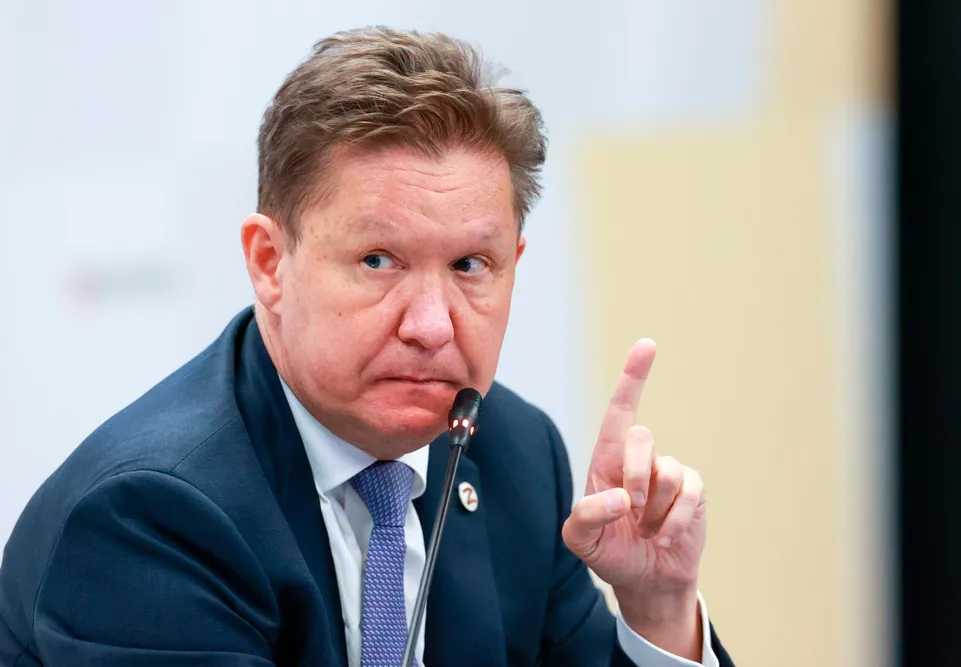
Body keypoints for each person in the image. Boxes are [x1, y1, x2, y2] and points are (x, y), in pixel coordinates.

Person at [0, 27, 734, 667]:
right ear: (269, 263)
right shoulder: (152, 516)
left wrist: (659, 610)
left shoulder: (514, 454)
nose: (432, 325)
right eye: (379, 260)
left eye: (470, 265)